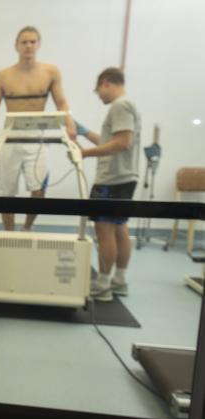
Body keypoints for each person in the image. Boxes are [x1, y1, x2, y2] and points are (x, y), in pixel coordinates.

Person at [0, 26, 76, 231]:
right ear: (16, 46)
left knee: (39, 189)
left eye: (33, 42)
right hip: (11, 136)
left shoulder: (50, 72)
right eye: (24, 42)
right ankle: (9, 233)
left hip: (37, 135)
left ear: (39, 45)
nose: (29, 46)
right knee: (7, 191)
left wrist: (70, 125)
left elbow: (61, 102)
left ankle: (26, 228)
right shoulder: (3, 75)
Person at [76, 67, 141, 302]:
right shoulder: (127, 106)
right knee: (119, 229)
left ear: (106, 83)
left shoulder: (120, 106)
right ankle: (119, 280)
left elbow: (122, 143)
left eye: (98, 92)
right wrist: (83, 131)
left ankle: (103, 285)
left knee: (104, 232)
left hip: (111, 180)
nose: (100, 97)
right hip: (125, 178)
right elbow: (110, 140)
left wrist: (85, 153)